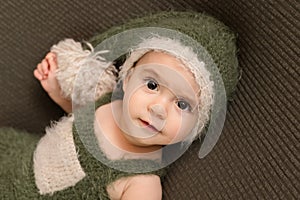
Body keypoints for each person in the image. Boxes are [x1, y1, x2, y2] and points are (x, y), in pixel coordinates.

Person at [0, 12, 239, 200]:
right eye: (153, 85)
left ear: (197, 126)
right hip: (18, 157)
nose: (158, 109)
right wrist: (56, 90)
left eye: (183, 104)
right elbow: (79, 119)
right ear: (127, 77)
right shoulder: (108, 104)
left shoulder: (140, 181)